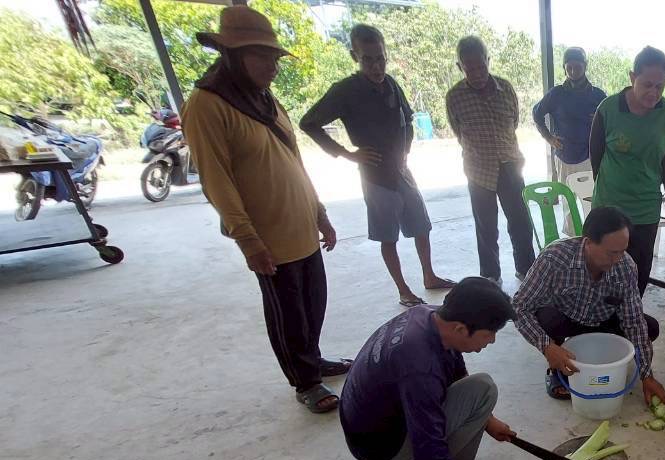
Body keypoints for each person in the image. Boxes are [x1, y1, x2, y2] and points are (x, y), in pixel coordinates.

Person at [184, 6, 348, 414]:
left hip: (301, 225)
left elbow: (294, 160)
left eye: (274, 58)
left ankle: (312, 358)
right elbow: (216, 180)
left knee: (313, 304)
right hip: (268, 236)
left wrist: (319, 211)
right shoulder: (207, 105)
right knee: (287, 313)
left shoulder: (265, 99)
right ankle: (305, 381)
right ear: (231, 54)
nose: (273, 66)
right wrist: (247, 239)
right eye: (263, 57)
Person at [339, 278, 533, 460]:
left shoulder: (428, 315)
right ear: (461, 329)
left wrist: (489, 421)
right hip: (380, 447)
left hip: (372, 428)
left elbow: (456, 371)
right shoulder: (419, 367)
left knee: (479, 390)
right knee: (483, 388)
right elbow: (434, 456)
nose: (492, 341)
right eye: (489, 334)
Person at [300, 23, 455, 308]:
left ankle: (429, 276)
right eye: (367, 59)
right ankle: (403, 290)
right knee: (388, 236)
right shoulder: (345, 90)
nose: (375, 66)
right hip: (375, 177)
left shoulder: (392, 84)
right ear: (354, 57)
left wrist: (406, 150)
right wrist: (347, 154)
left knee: (422, 225)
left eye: (380, 58)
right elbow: (309, 123)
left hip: (402, 171)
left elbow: (407, 120)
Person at [512, 207, 665, 405]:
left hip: (602, 320)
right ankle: (556, 365)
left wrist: (646, 375)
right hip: (565, 319)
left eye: (623, 251)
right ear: (588, 243)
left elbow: (634, 322)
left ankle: (600, 355)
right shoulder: (554, 258)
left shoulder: (626, 267)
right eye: (611, 253)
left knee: (649, 326)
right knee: (546, 318)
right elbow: (519, 307)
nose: (618, 259)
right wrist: (547, 346)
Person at [589, 46, 665, 293]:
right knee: (599, 273)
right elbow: (596, 156)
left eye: (660, 86)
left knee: (638, 276)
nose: (653, 92)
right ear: (632, 77)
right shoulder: (608, 109)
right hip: (609, 207)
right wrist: (606, 191)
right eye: (647, 84)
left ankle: (627, 326)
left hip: (646, 209)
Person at [445, 35, 536, 285]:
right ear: (460, 67)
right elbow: (458, 131)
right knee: (486, 228)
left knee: (520, 222)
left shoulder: (506, 89)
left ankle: (525, 268)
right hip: (478, 170)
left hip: (510, 166)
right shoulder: (455, 97)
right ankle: (491, 276)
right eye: (469, 67)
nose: (476, 73)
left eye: (481, 66)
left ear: (488, 60)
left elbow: (514, 122)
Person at [532, 47, 607, 235]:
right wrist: (549, 138)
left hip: (590, 156)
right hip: (564, 155)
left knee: (591, 200)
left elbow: (610, 122)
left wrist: (597, 120)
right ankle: (573, 240)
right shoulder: (556, 94)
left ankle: (592, 237)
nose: (573, 71)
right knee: (568, 201)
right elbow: (537, 113)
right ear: (565, 68)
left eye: (578, 67)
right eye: (569, 67)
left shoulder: (598, 95)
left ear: (585, 66)